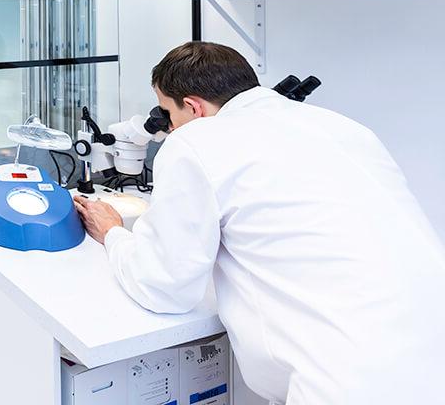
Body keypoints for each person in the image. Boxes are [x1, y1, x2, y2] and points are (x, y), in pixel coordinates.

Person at [73, 41, 445, 405]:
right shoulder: (343, 127)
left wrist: (114, 234)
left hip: (348, 380)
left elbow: (164, 286)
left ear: (192, 107)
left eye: (168, 115)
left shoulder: (196, 140)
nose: (169, 129)